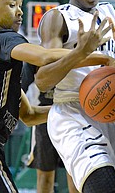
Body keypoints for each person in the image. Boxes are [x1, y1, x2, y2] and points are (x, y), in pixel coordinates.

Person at [0, 0, 114, 192]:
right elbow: (44, 56)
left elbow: (29, 115)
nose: (19, 11)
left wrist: (78, 106)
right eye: (11, 5)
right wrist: (94, 55)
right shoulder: (1, 37)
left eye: (20, 5)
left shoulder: (1, 61)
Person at [34, 0, 115, 193]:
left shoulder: (109, 12)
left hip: (110, 115)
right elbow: (43, 79)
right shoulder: (58, 17)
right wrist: (80, 52)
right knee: (103, 187)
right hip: (72, 113)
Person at [22, 62, 78, 193]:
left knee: (75, 177)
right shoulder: (38, 56)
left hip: (73, 116)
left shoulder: (76, 51)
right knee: (45, 178)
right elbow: (20, 86)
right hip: (44, 119)